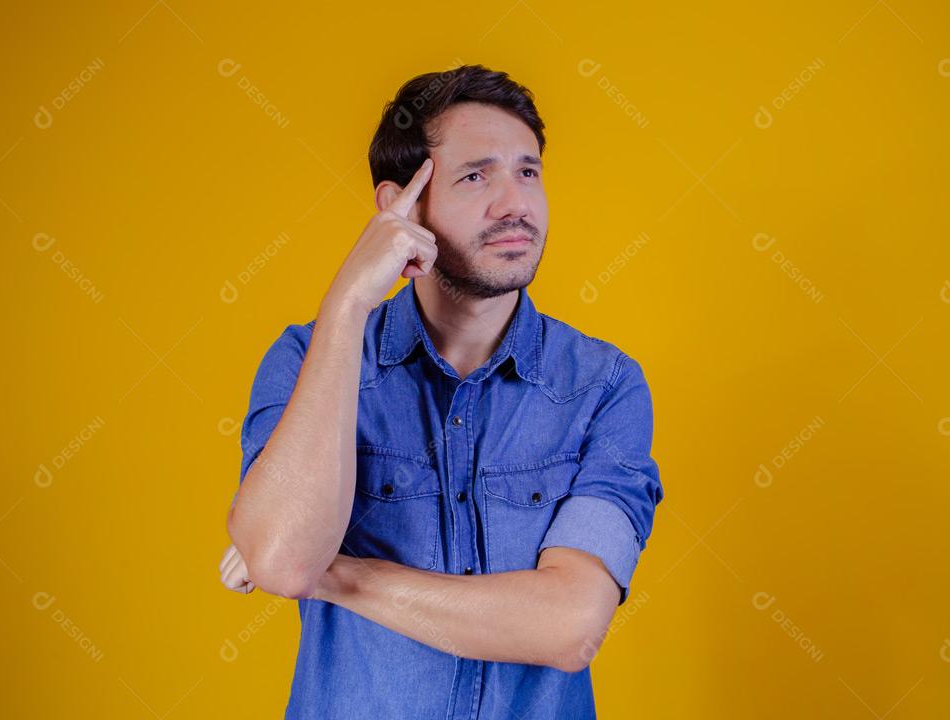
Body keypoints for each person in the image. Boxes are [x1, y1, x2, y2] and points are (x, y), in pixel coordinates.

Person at [218, 64, 663, 719]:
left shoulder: (607, 387)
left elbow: (570, 627)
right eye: (476, 175)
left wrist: (335, 574)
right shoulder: (306, 359)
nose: (514, 202)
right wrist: (346, 305)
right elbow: (284, 559)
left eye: (528, 171)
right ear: (400, 208)